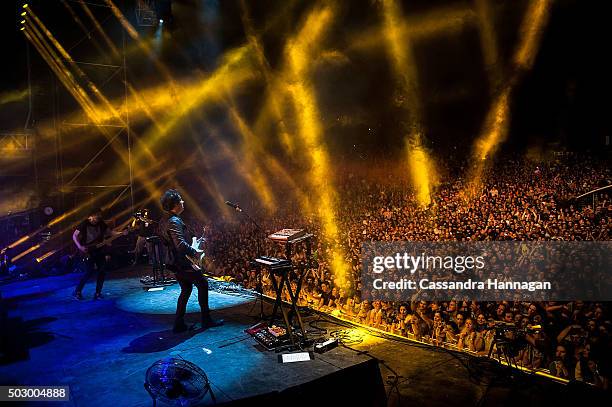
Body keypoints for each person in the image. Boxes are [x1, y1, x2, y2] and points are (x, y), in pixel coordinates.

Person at [157, 189, 223, 333]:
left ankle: (178, 323)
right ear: (175, 204)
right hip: (182, 263)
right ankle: (206, 320)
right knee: (203, 284)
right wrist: (195, 252)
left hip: (175, 263)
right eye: (180, 200)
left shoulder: (165, 219)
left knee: (186, 289)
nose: (183, 201)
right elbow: (180, 245)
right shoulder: (174, 221)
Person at [72, 208, 123, 300]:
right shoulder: (84, 224)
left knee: (102, 271)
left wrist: (122, 233)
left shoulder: (101, 223)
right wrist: (80, 247)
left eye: (99, 214)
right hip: (88, 251)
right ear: (90, 216)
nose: (98, 217)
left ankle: (98, 293)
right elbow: (74, 235)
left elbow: (110, 233)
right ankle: (77, 291)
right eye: (96, 215)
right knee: (89, 272)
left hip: (99, 250)